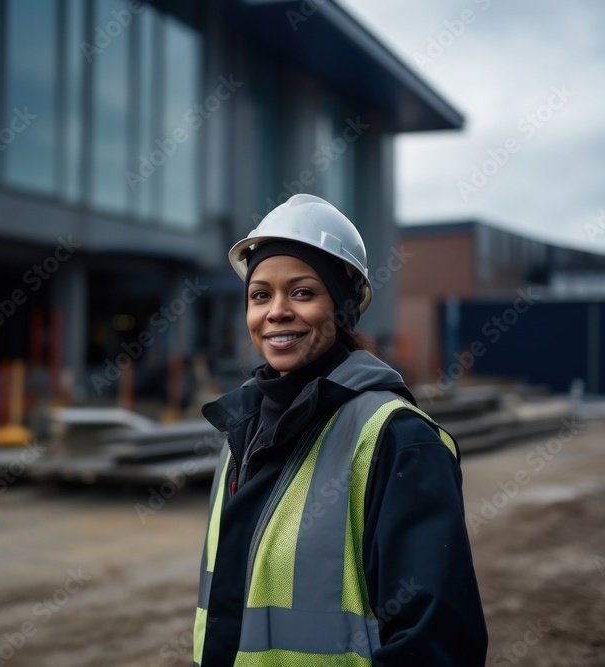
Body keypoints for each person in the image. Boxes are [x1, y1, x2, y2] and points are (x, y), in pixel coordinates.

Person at [192, 194, 488, 666]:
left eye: (303, 292)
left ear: (343, 308)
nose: (277, 311)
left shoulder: (395, 438)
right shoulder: (241, 436)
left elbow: (438, 642)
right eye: (260, 294)